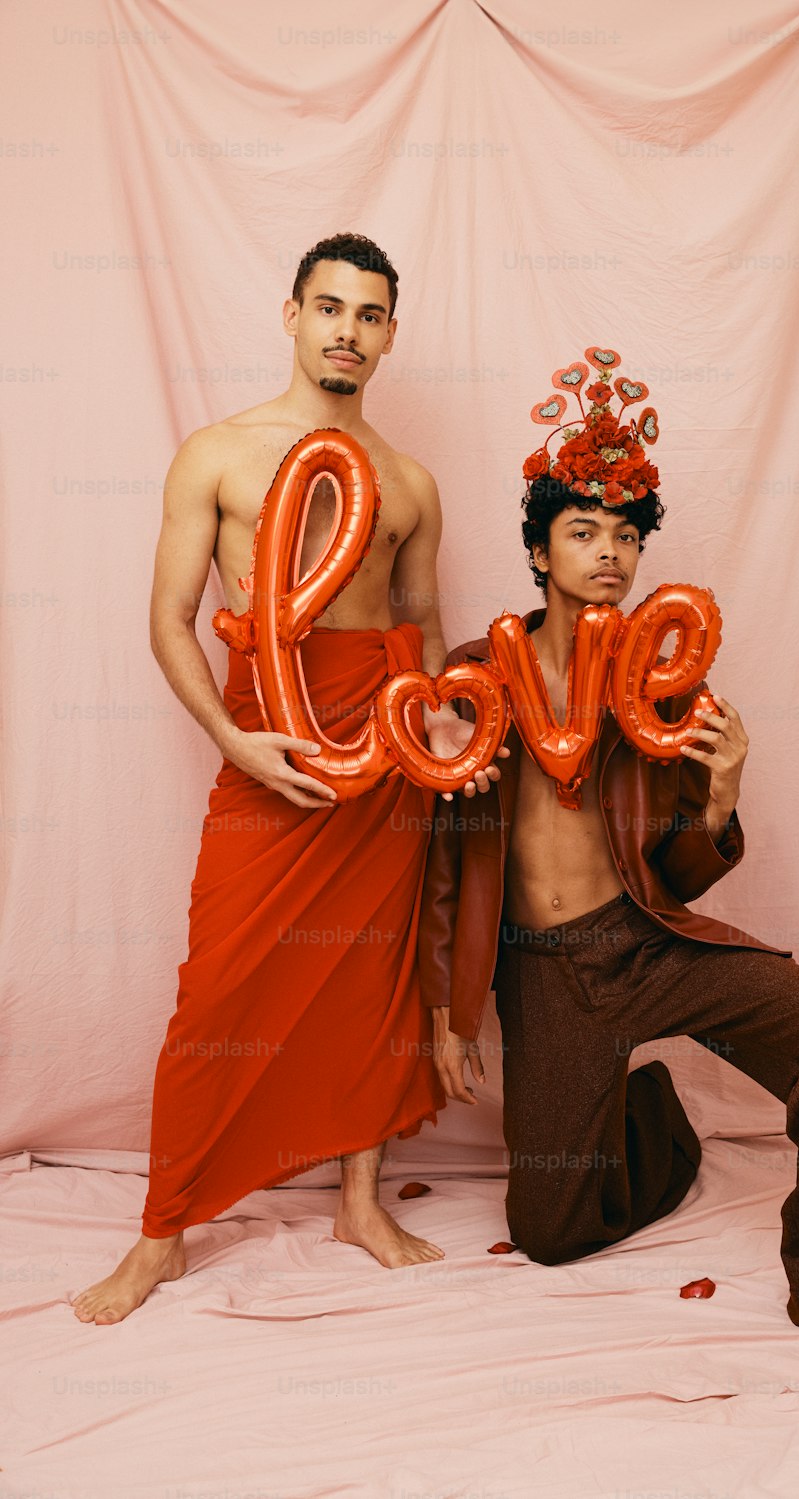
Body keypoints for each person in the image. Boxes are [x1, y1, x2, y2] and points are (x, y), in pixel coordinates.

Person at [419, 350, 799, 1357]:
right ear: (537, 552)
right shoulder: (476, 676)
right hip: (543, 970)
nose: (606, 552)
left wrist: (726, 788)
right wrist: (444, 1001)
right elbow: (441, 862)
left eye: (623, 534)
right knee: (547, 1232)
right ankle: (653, 1116)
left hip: (645, 939)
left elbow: (683, 875)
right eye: (581, 531)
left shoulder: (663, 686)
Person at [72, 233, 500, 1325]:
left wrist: (458, 714)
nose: (346, 330)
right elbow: (169, 619)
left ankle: (359, 1200)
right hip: (269, 745)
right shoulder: (218, 454)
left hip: (381, 762)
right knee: (215, 990)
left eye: (368, 315)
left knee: (370, 982)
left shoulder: (410, 482)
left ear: (389, 335)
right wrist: (232, 738)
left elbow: (425, 624)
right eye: (329, 308)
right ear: (292, 314)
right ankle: (162, 1233)